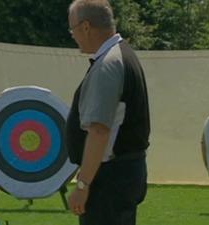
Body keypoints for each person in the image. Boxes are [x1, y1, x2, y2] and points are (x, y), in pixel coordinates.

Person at [65, 1, 150, 225]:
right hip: (122, 174)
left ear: (85, 26)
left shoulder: (109, 64)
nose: (72, 35)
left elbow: (99, 131)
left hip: (109, 179)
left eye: (72, 28)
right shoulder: (121, 55)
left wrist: (83, 185)